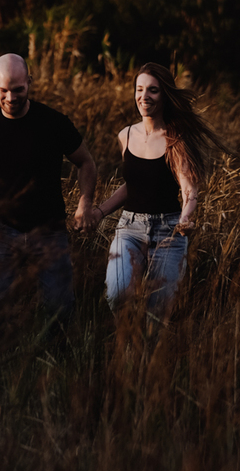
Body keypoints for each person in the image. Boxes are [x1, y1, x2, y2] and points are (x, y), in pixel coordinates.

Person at [0, 53, 98, 320]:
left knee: (60, 314)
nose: (10, 97)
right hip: (1, 231)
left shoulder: (54, 123)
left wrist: (85, 203)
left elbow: (86, 162)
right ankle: (5, 359)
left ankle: (58, 358)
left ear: (29, 82)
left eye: (18, 89)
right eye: (4, 90)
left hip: (49, 230)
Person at [88, 63, 230, 322]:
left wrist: (186, 217)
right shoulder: (126, 135)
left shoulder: (176, 138)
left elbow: (189, 189)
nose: (144, 97)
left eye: (152, 90)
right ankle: (127, 352)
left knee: (157, 315)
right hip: (129, 229)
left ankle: (146, 359)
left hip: (169, 233)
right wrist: (98, 213)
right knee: (118, 297)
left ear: (164, 95)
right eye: (139, 89)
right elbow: (133, 185)